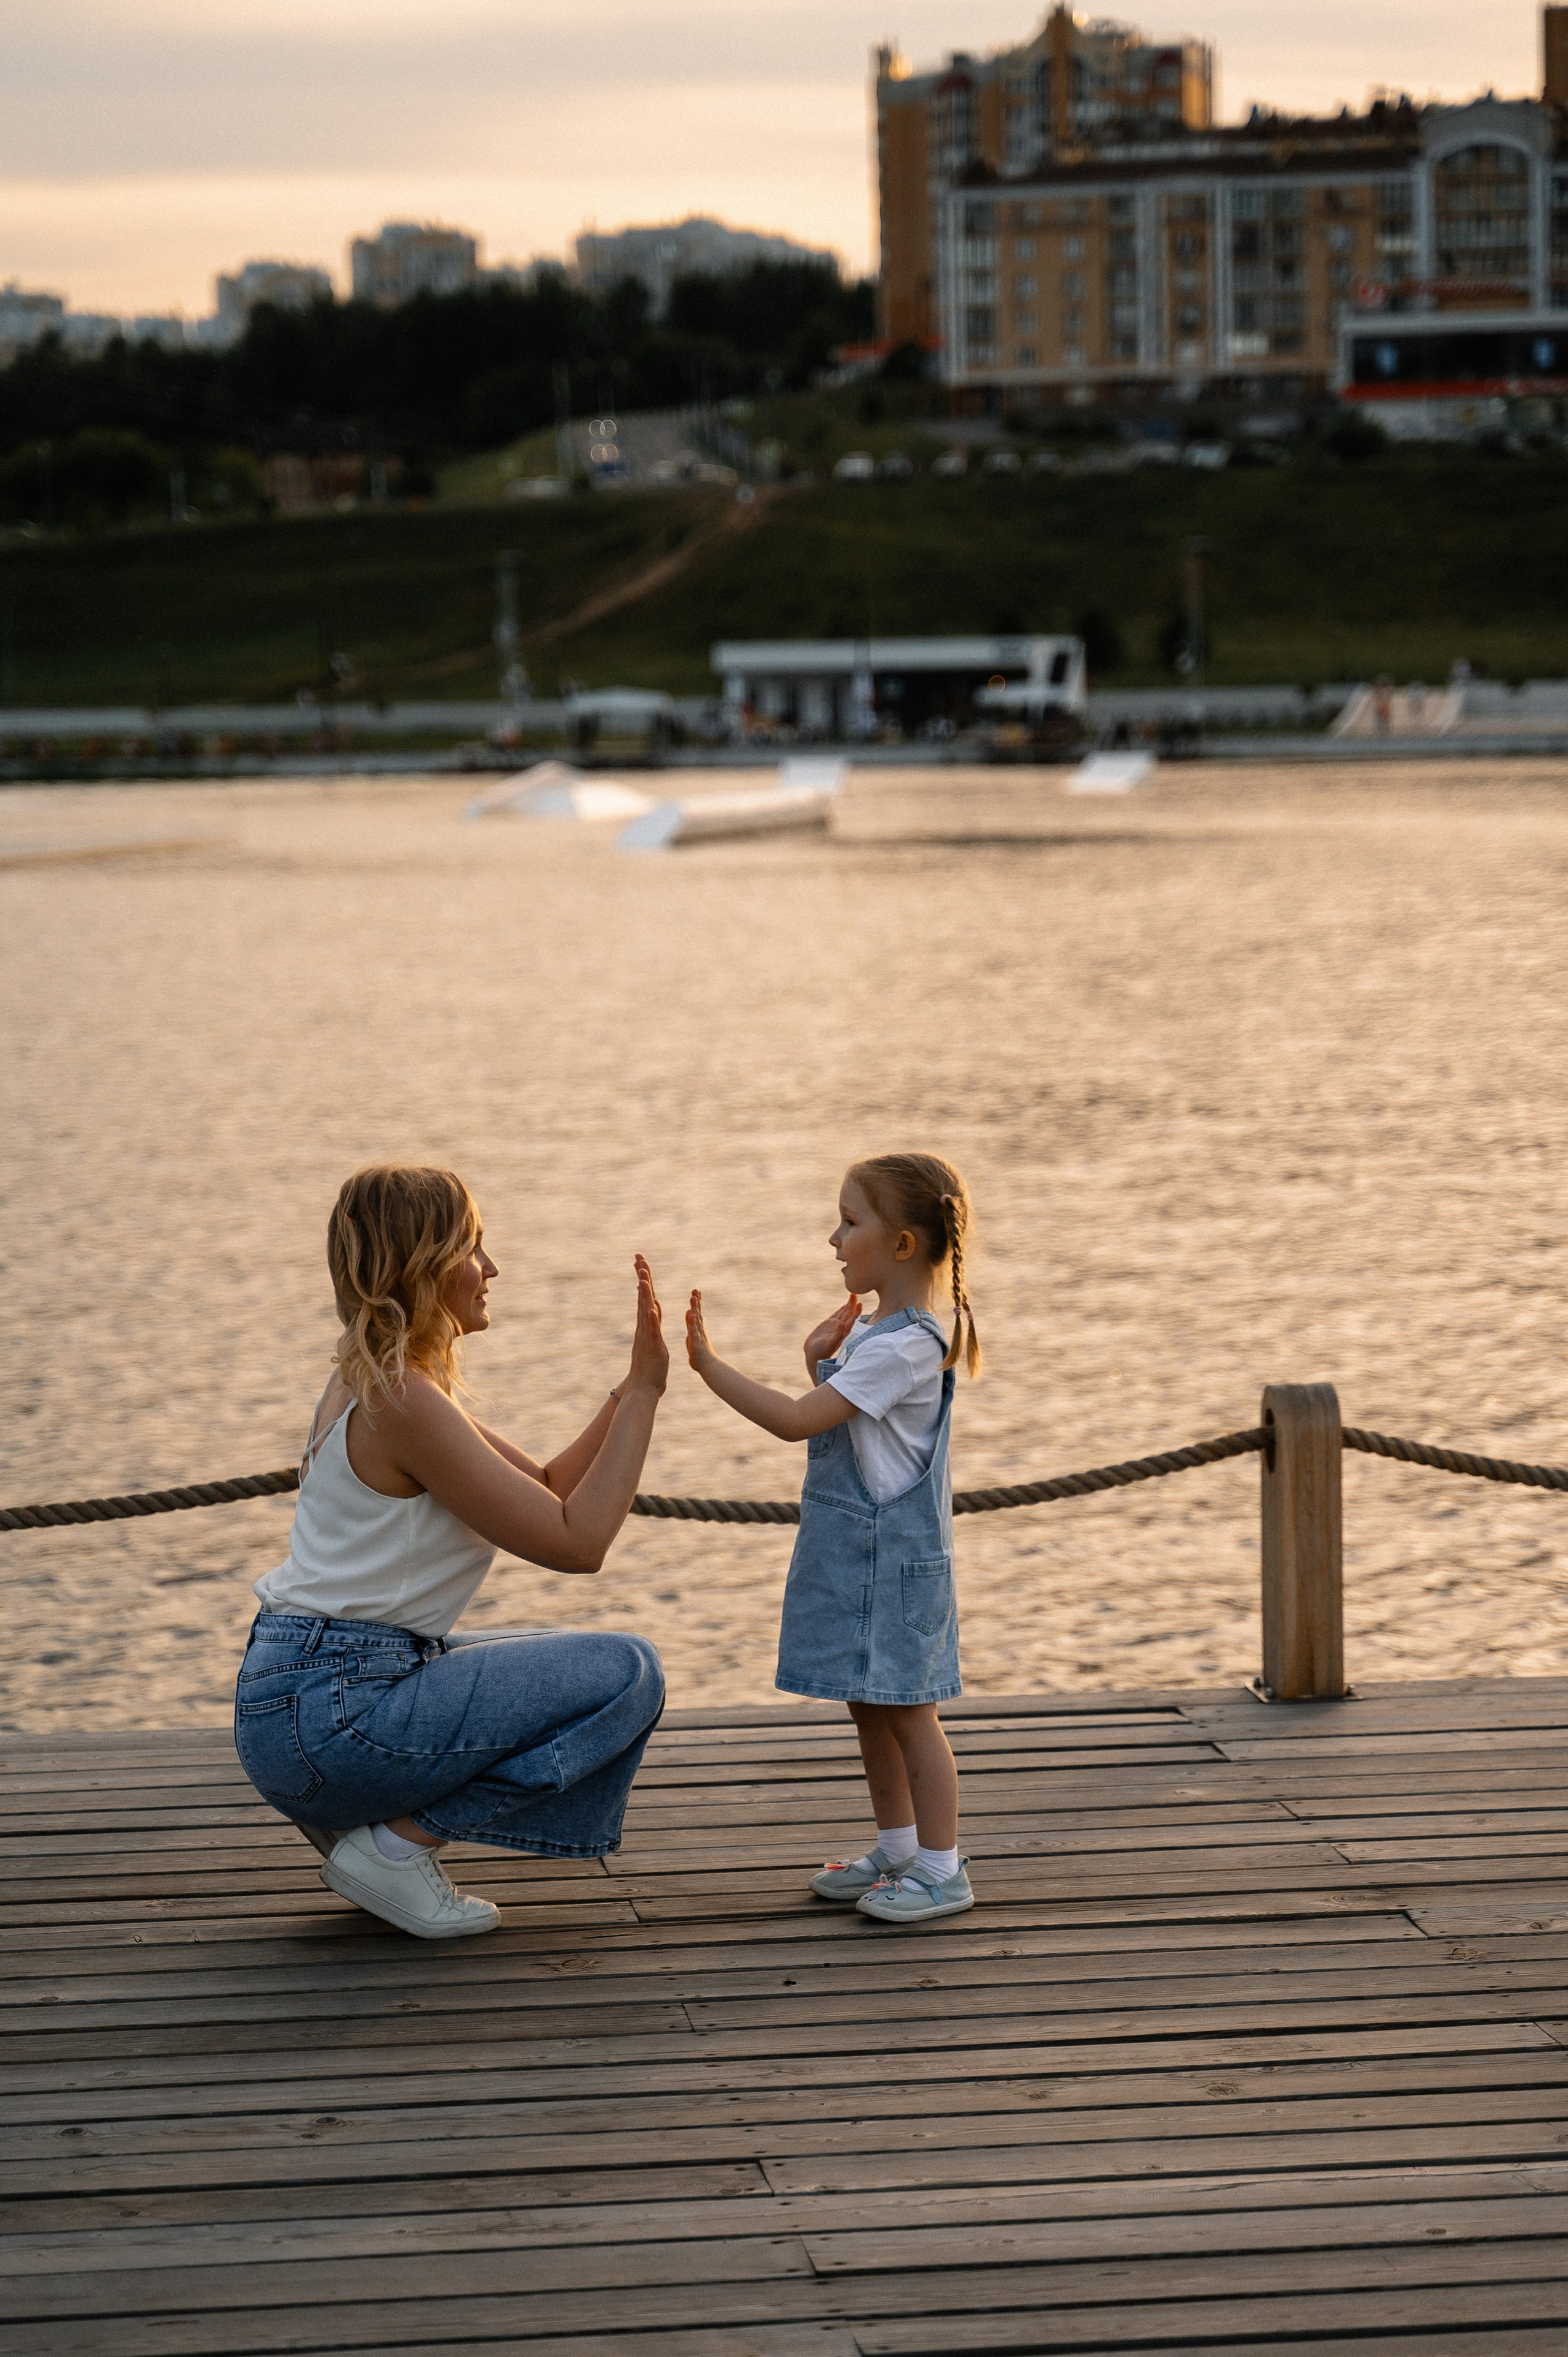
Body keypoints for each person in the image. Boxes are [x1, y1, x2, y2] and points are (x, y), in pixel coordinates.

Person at [235, 1165, 668, 1940]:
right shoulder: (401, 1398)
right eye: (473, 1246)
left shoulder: (378, 1383)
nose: (491, 1268)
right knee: (627, 1674)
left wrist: (630, 1384)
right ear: (423, 1262)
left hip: (304, 1696)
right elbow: (578, 1541)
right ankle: (397, 1845)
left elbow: (545, 1485)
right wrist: (645, 1400)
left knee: (569, 1659)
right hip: (335, 1711)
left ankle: (367, 1835)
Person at [685, 1152, 981, 1926]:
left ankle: (943, 1870)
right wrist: (818, 1358)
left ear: (904, 1245)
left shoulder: (905, 1344)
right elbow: (847, 1421)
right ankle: (900, 1846)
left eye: (851, 1222)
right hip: (863, 1557)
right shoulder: (880, 1332)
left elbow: (795, 1421)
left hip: (892, 1564)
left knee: (910, 1711)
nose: (834, 1237)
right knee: (868, 1703)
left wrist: (707, 1364)